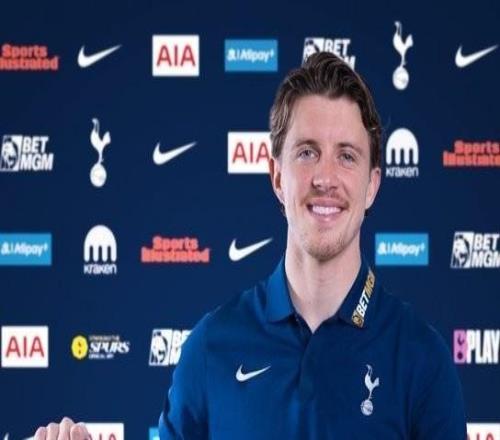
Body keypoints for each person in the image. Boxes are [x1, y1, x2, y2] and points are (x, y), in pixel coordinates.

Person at [33, 52, 466, 440]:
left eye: (347, 156)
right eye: (307, 152)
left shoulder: (420, 358)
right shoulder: (211, 347)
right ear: (277, 176)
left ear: (372, 185)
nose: (325, 178)